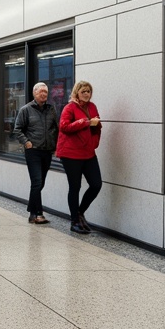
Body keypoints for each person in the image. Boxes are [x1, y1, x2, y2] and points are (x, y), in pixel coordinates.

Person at [56, 80, 103, 234]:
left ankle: (80, 212)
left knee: (96, 184)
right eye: (83, 91)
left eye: (89, 91)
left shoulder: (92, 107)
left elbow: (96, 127)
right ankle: (74, 221)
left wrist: (93, 141)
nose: (87, 94)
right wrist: (84, 122)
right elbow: (64, 126)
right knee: (75, 187)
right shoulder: (69, 108)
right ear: (77, 92)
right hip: (70, 153)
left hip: (88, 152)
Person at [14, 82, 59, 224]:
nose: (44, 94)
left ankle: (31, 212)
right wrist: (27, 143)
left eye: (46, 92)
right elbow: (17, 129)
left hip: (47, 151)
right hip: (33, 151)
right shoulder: (26, 109)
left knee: (40, 183)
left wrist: (56, 146)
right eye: (41, 92)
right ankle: (37, 213)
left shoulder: (51, 109)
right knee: (37, 182)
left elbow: (55, 128)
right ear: (34, 93)